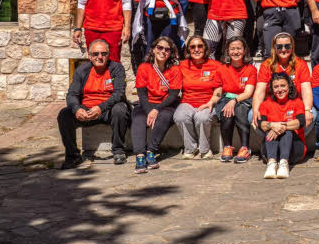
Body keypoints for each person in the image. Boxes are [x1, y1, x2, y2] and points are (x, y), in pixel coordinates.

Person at [57, 39, 130, 169]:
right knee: (64, 114)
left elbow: (119, 93)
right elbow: (72, 94)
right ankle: (73, 156)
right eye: (95, 54)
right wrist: (77, 109)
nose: (99, 57)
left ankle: (118, 151)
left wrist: (101, 108)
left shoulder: (116, 68)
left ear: (108, 55)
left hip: (108, 110)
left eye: (103, 53)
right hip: (87, 110)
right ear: (89, 56)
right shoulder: (81, 70)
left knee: (120, 109)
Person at [252, 32, 314, 152]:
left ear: (292, 47)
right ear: (274, 48)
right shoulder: (266, 65)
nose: (284, 49)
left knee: (312, 115)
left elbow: (306, 89)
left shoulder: (301, 64)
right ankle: (274, 143)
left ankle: (291, 142)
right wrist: (255, 110)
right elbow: (259, 91)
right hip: (273, 106)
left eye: (287, 46)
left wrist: (307, 110)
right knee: (252, 116)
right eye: (279, 46)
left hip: (295, 106)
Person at [131, 37, 182, 174]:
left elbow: (172, 96)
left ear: (170, 53)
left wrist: (156, 110)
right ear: (153, 49)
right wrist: (149, 110)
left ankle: (151, 151)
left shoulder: (175, 70)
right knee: (138, 119)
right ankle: (140, 156)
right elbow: (142, 94)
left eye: (167, 49)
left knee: (164, 116)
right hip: (146, 103)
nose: (163, 51)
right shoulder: (143, 68)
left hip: (166, 104)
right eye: (159, 47)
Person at [174, 36, 223, 159]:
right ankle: (190, 147)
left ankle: (205, 149)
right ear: (188, 50)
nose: (196, 49)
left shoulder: (215, 65)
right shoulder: (182, 65)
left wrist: (211, 102)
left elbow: (219, 90)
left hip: (208, 102)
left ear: (205, 48)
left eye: (200, 46)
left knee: (202, 117)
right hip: (187, 102)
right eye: (192, 47)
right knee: (180, 116)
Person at [215, 37, 257, 164]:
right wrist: (211, 102)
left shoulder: (251, 69)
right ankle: (227, 147)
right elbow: (218, 91)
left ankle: (245, 148)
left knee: (240, 109)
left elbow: (248, 92)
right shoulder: (222, 69)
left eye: (239, 48)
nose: (236, 51)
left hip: (245, 99)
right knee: (226, 111)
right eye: (232, 49)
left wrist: (234, 101)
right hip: (226, 98)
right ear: (228, 51)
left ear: (244, 51)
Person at [257, 73, 307, 179]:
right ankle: (271, 164)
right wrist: (272, 125)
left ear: (289, 86)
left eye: (283, 86)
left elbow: (301, 122)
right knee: (270, 130)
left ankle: (284, 163)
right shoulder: (265, 104)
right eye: (276, 87)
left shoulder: (297, 102)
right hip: (270, 151)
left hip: (294, 150)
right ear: (272, 89)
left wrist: (281, 126)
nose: (280, 90)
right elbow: (261, 124)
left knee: (286, 131)